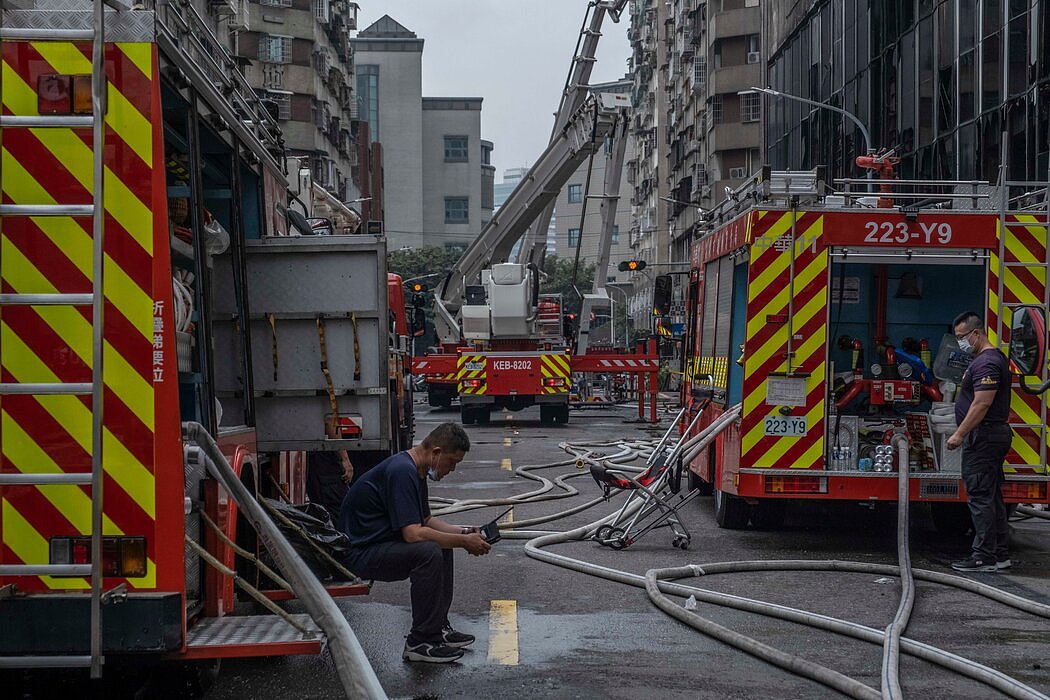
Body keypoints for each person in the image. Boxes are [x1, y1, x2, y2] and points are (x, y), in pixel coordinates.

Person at [337, 422, 491, 663]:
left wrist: (465, 532)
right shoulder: (402, 471)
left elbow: (426, 520)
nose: (452, 470)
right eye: (452, 462)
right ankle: (420, 641)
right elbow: (413, 534)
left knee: (445, 544)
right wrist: (463, 541)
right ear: (437, 452)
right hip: (359, 553)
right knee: (429, 551)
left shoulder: (415, 469)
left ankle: (437, 627)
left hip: (378, 545)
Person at [946, 311, 1013, 572]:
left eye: (962, 337)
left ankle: (984, 556)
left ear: (977, 333)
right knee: (991, 496)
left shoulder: (986, 363)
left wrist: (960, 434)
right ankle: (999, 554)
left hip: (983, 438)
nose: (960, 342)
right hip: (988, 437)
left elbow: (982, 403)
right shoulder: (985, 360)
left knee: (980, 496)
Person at [305, 416, 354, 522]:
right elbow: (329, 419)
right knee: (336, 512)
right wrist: (344, 458)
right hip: (324, 456)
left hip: (316, 453)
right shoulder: (329, 399)